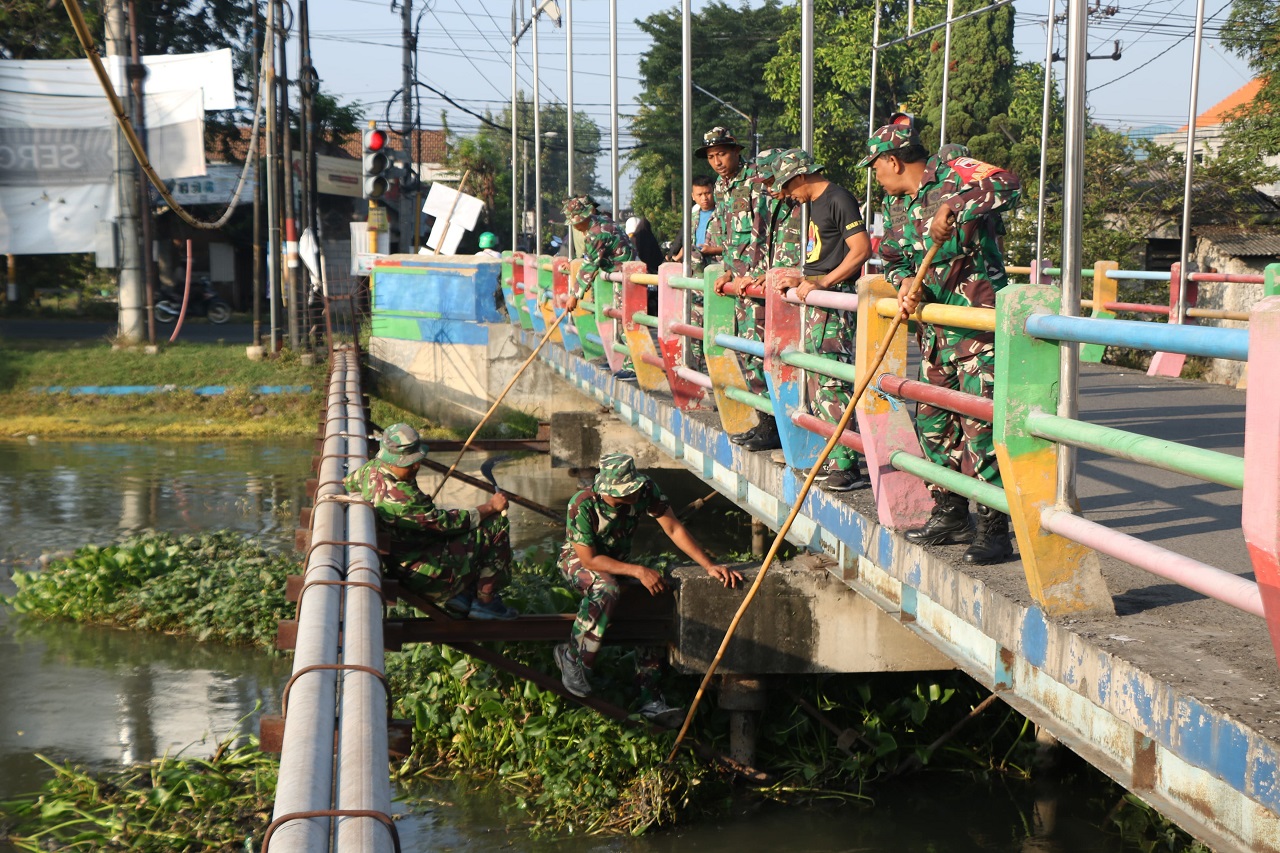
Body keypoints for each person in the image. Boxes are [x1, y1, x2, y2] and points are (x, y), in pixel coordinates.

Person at [858, 122, 1022, 565]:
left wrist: (954, 206)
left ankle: (994, 526)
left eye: (875, 168)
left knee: (980, 429)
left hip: (976, 329)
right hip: (934, 334)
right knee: (934, 424)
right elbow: (891, 258)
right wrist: (904, 280)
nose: (876, 177)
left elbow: (1008, 182)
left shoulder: (953, 172)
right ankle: (950, 512)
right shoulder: (895, 207)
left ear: (892, 161)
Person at [554, 453, 742, 722]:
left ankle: (650, 697)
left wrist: (708, 566)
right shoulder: (582, 504)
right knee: (606, 588)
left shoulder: (645, 490)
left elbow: (674, 528)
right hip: (578, 561)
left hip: (618, 562)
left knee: (651, 602)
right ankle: (573, 657)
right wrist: (638, 571)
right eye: (625, 492)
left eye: (633, 488)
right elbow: (589, 559)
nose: (633, 495)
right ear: (606, 490)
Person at [758, 148, 873, 492]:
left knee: (834, 380)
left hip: (833, 303)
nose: (787, 193)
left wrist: (824, 281)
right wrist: (803, 278)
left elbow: (861, 249)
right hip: (817, 301)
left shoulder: (838, 198)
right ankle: (833, 453)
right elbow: (820, 253)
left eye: (788, 185)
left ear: (802, 175)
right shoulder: (814, 205)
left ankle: (847, 464)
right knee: (819, 380)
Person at [343, 423, 519, 619]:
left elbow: (347, 483)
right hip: (425, 575)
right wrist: (490, 507)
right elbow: (446, 524)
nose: (417, 465)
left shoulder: (371, 471)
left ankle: (461, 596)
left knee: (474, 530)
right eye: (410, 462)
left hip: (411, 558)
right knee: (495, 525)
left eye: (417, 460)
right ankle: (485, 601)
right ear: (393, 461)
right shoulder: (401, 498)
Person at [698, 126, 779, 450]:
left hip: (759, 283)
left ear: (735, 151)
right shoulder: (722, 187)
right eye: (712, 157)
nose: (717, 161)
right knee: (748, 352)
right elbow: (728, 237)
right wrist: (727, 271)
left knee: (764, 351)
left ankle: (775, 423)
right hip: (739, 284)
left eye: (722, 154)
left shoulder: (756, 182)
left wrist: (761, 273)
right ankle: (764, 420)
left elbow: (766, 233)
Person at [563, 195, 638, 381]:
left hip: (624, 276)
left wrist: (574, 296)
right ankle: (619, 360)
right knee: (616, 318)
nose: (575, 227)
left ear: (582, 219)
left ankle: (632, 366)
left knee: (624, 319)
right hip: (618, 274)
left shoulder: (596, 233)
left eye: (575, 223)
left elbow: (589, 265)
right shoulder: (601, 222)